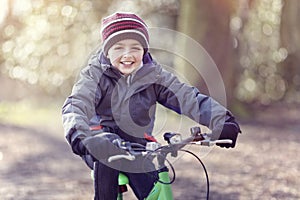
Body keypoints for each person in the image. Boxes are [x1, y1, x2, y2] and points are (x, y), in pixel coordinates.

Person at [62, 12, 241, 200]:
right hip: (99, 143)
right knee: (108, 160)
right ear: (107, 52)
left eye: (135, 48)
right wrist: (80, 134)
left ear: (144, 50)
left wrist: (221, 119)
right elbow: (76, 105)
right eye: (118, 48)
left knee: (155, 184)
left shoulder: (155, 76)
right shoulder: (94, 75)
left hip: (138, 146)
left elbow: (188, 97)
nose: (128, 54)